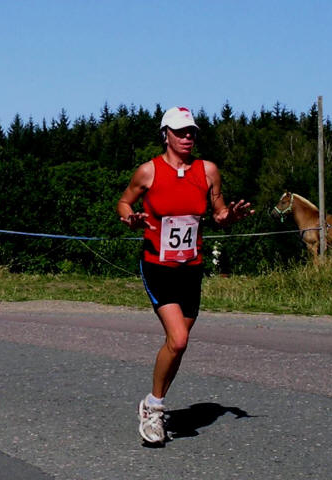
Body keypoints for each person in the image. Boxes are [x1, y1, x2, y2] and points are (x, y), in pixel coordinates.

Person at [116, 106, 253, 444]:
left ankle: (153, 401)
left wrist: (229, 217)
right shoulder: (148, 171)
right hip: (157, 267)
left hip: (191, 269)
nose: (187, 137)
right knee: (178, 339)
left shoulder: (208, 171)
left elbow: (218, 212)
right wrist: (130, 218)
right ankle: (154, 409)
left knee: (177, 345)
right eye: (180, 132)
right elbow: (123, 202)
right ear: (166, 135)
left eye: (191, 131)